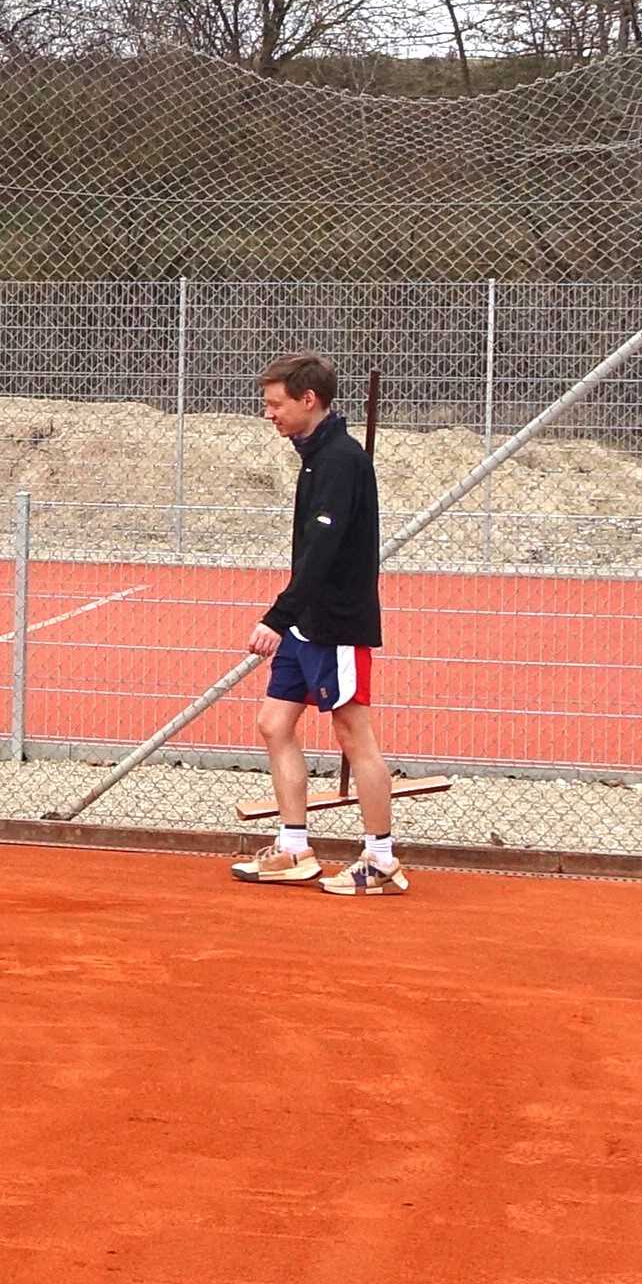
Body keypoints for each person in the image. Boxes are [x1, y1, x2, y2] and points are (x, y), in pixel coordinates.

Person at [231, 355, 397, 896]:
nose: (268, 413)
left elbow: (323, 549)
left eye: (276, 404)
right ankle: (295, 847)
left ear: (308, 400)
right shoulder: (315, 457)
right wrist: (292, 618)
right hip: (306, 624)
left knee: (354, 734)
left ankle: (381, 860)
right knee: (274, 725)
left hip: (337, 626)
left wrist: (277, 617)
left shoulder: (341, 460)